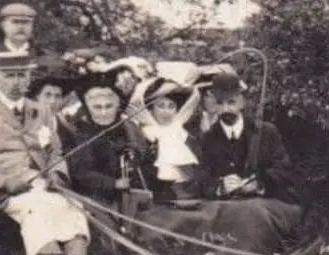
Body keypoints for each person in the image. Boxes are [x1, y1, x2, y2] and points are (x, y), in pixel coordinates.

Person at [0, 51, 102, 255]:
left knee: (72, 207)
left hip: (41, 186)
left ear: (28, 79)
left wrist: (57, 174)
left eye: (21, 75)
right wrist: (5, 183)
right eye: (9, 76)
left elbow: (54, 151)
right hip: (0, 194)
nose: (16, 82)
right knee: (37, 209)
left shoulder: (41, 111)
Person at [197, 72, 298, 203]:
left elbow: (284, 170)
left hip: (264, 204)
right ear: (214, 105)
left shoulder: (266, 132)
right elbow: (201, 178)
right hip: (223, 207)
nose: (225, 109)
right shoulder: (208, 139)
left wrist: (259, 184)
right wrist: (220, 187)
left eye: (231, 102)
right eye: (220, 103)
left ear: (241, 102)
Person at [63, 70, 150, 205]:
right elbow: (79, 172)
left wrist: (133, 156)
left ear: (117, 105)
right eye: (97, 107)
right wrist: (113, 184)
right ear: (87, 107)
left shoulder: (130, 128)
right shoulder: (79, 131)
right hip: (92, 199)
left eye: (109, 106)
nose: (104, 113)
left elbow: (144, 158)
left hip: (132, 198)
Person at [128, 62, 203, 203]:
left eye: (171, 106)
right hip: (155, 201)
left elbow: (199, 173)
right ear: (151, 110)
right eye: (161, 106)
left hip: (189, 199)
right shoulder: (143, 136)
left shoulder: (186, 137)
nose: (166, 111)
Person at [0, 3, 54, 73]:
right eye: (15, 22)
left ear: (32, 25)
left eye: (26, 22)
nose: (21, 27)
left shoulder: (44, 57)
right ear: (3, 25)